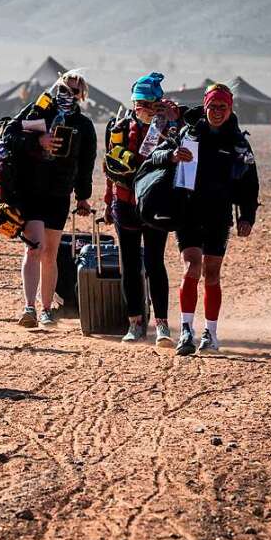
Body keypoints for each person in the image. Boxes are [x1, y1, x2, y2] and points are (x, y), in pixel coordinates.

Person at [146, 83, 259, 355]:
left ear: (230, 108)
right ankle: (186, 329)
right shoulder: (188, 132)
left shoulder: (238, 141)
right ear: (205, 106)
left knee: (211, 273)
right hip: (188, 212)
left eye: (222, 107)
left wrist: (247, 216)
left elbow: (249, 182)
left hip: (219, 215)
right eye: (212, 106)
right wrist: (172, 155)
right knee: (191, 267)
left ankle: (211, 332)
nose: (217, 111)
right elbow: (155, 154)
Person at [14, 71, 97, 327]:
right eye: (64, 88)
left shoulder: (83, 126)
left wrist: (83, 197)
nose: (67, 95)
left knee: (50, 253)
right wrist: (38, 140)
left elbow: (86, 164)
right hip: (32, 191)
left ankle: (47, 308)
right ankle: (29, 308)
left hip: (59, 194)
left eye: (73, 91)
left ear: (81, 96)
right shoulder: (37, 112)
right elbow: (12, 135)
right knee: (34, 247)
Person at [103, 73, 181, 345]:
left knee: (155, 263)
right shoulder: (118, 127)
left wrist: (173, 118)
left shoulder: (168, 127)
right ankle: (135, 323)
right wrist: (106, 202)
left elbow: (183, 148)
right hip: (124, 203)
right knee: (130, 264)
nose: (143, 110)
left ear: (159, 103)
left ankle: (161, 324)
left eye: (149, 104)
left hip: (155, 204)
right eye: (139, 104)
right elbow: (109, 168)